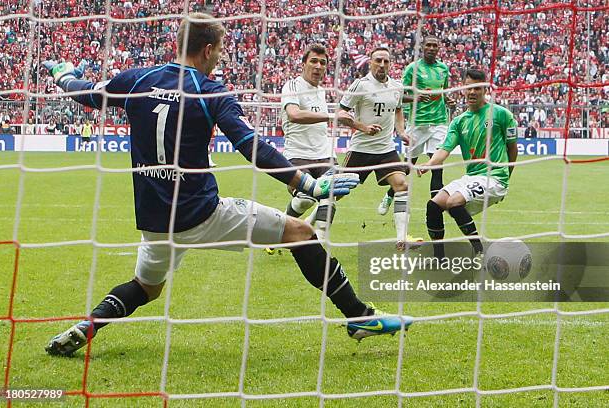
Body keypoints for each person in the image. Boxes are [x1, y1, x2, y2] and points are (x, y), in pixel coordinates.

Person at [43, 13, 412, 356]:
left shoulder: (137, 79)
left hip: (155, 222)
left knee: (146, 287)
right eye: (219, 50)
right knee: (301, 233)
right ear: (207, 50)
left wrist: (63, 76)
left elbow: (86, 92)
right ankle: (359, 316)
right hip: (203, 214)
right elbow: (252, 146)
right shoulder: (210, 91)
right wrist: (306, 183)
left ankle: (89, 324)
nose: (219, 57)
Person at [418, 69, 518, 259]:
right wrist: (429, 163)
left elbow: (513, 149)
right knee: (434, 205)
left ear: (485, 89)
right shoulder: (458, 122)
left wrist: (506, 179)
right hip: (472, 177)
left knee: (454, 202)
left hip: (494, 177)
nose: (472, 92)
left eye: (477, 88)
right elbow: (444, 151)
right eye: (469, 88)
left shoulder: (501, 115)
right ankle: (439, 258)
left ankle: (480, 251)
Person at [337, 46, 422, 250]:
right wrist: (362, 127)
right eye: (378, 61)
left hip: (385, 149)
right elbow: (341, 113)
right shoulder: (360, 85)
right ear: (370, 62)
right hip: (361, 149)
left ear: (390, 63)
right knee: (336, 192)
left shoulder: (396, 87)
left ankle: (401, 239)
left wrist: (400, 131)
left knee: (402, 185)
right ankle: (308, 224)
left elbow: (398, 109)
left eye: (386, 61)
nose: (382, 65)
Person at [275, 43, 353, 243]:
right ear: (303, 64)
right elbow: (293, 114)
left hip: (325, 155)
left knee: (333, 193)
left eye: (323, 63)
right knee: (307, 198)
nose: (318, 66)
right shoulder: (293, 86)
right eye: (314, 61)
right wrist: (330, 116)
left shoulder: (321, 92)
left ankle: (319, 244)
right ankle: (280, 232)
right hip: (298, 154)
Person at [377, 35, 456, 216]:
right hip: (417, 123)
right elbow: (399, 95)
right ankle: (390, 195)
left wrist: (449, 102)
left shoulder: (443, 69)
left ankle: (436, 209)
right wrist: (414, 98)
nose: (431, 48)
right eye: (428, 45)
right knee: (408, 166)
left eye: (434, 45)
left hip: (439, 123)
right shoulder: (413, 69)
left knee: (437, 167)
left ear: (438, 48)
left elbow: (443, 95)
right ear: (422, 48)